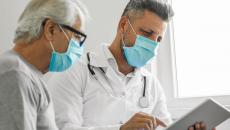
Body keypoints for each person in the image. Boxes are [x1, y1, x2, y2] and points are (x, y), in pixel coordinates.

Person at [48, 0, 215, 130]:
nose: (153, 44)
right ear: (123, 25)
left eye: (158, 39)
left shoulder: (151, 85)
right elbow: (62, 128)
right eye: (147, 33)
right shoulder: (75, 70)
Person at [0, 0, 89, 129]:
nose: (80, 47)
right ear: (51, 30)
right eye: (77, 36)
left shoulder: (30, 76)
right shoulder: (15, 75)